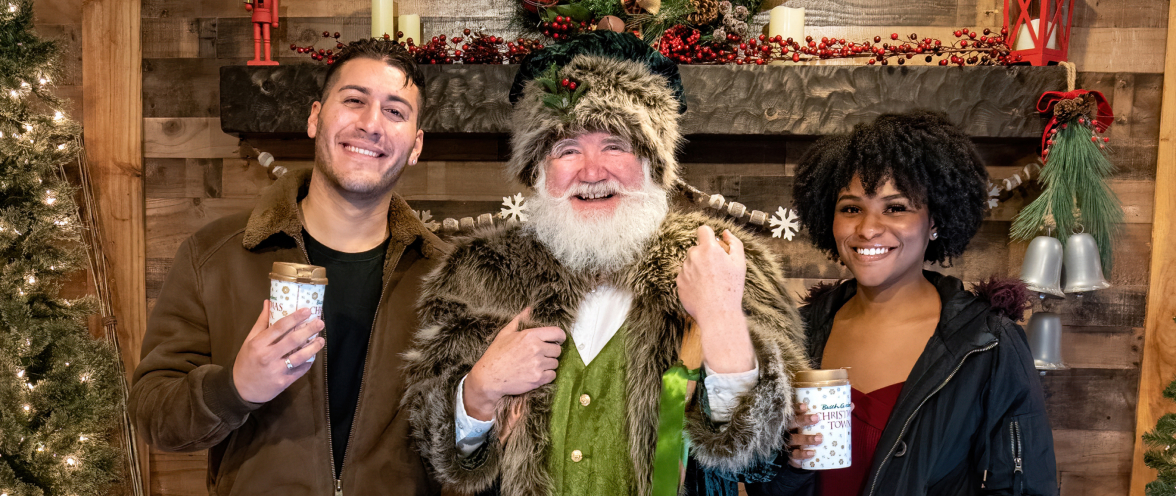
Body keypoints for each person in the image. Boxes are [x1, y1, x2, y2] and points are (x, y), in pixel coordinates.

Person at [401, 32, 809, 496]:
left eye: (615, 145)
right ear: (538, 170)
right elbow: (436, 452)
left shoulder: (724, 262)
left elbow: (771, 460)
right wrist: (479, 389)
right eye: (567, 149)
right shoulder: (478, 273)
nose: (592, 172)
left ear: (653, 163)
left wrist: (722, 321)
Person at [129, 39, 446, 495]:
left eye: (395, 111)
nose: (371, 124)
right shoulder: (214, 255)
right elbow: (152, 413)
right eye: (354, 101)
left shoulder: (448, 279)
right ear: (315, 118)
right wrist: (234, 388)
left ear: (415, 145)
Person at [746, 111, 1057, 496]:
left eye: (895, 207)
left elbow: (1026, 488)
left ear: (934, 221)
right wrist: (789, 464)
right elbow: (762, 486)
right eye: (851, 208)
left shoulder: (987, 343)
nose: (868, 229)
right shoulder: (796, 336)